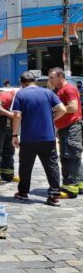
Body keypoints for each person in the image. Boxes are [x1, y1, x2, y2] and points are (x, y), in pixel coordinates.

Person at [12, 71, 66, 206]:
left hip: (29, 138)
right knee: (51, 165)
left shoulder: (21, 94)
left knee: (25, 165)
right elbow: (63, 109)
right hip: (48, 137)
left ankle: (23, 193)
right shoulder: (48, 93)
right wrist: (52, 120)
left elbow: (17, 116)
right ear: (35, 81)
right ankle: (54, 195)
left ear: (22, 83)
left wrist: (14, 134)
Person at [48, 68, 83, 198]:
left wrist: (56, 112)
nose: (50, 80)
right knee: (74, 157)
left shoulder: (69, 89)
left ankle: (70, 188)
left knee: (69, 156)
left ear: (61, 76)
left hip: (71, 127)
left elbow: (73, 107)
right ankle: (78, 184)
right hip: (66, 127)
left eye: (52, 77)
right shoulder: (60, 90)